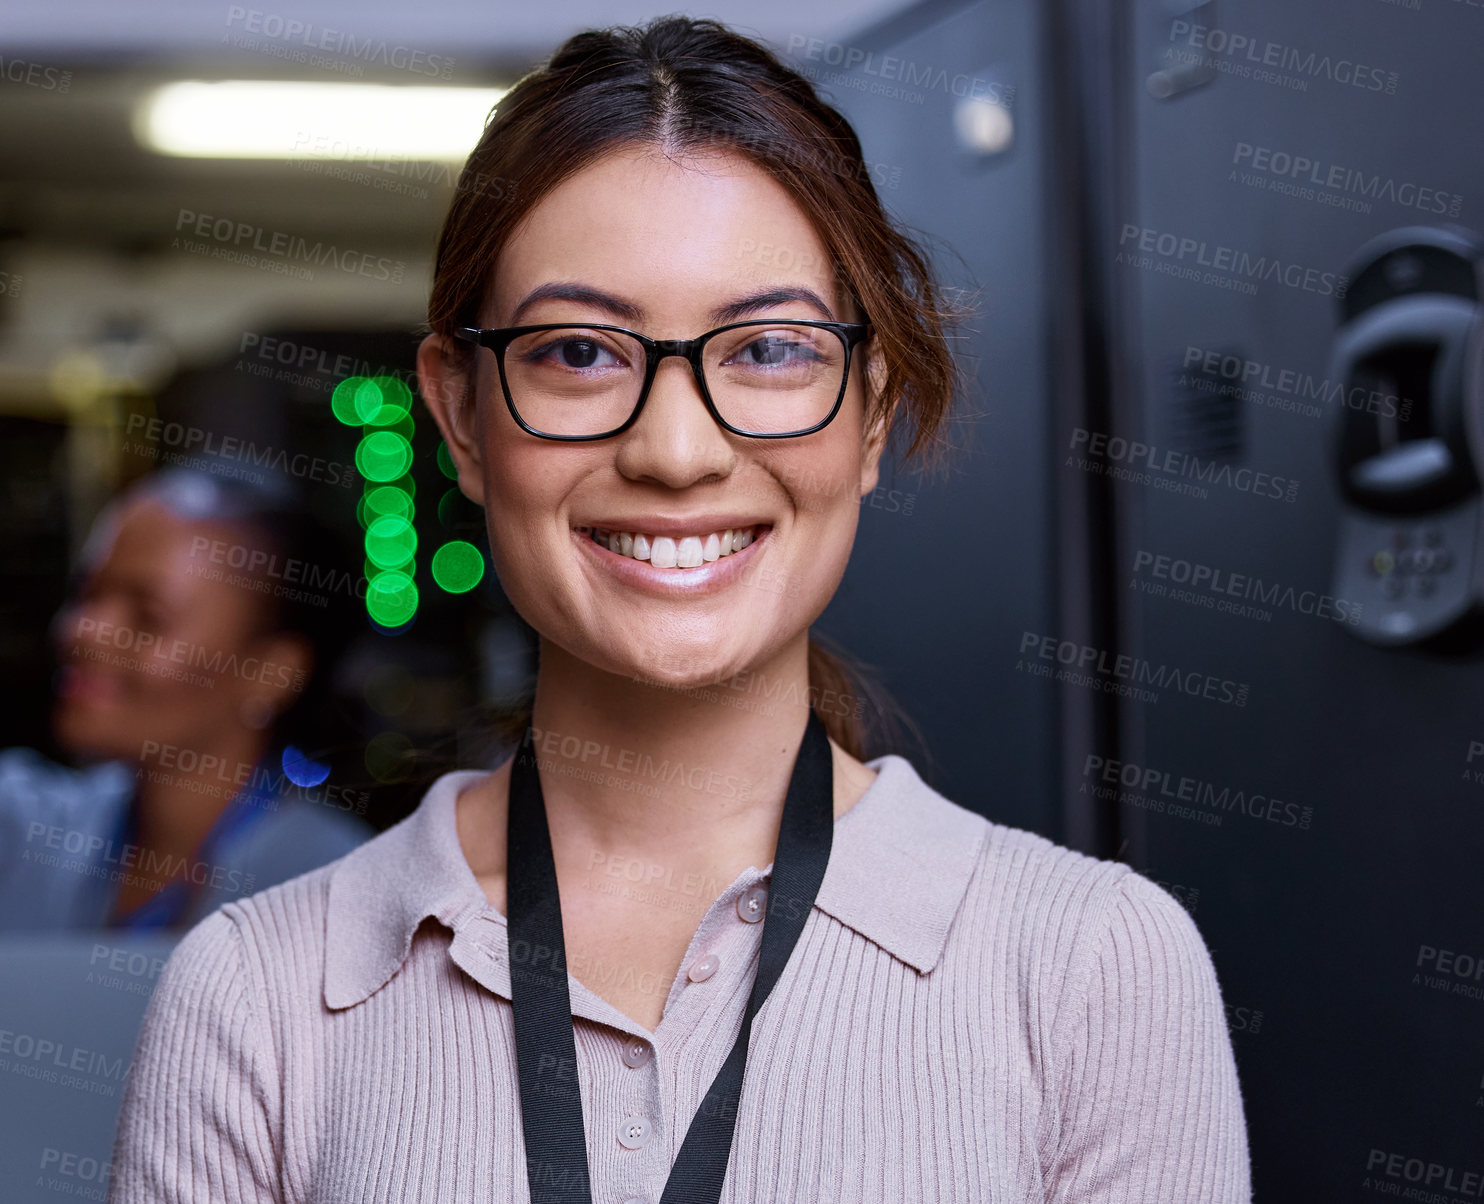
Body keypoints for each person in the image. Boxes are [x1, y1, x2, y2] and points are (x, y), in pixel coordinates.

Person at [109, 16, 1253, 1202]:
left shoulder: (1091, 968)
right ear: (458, 415)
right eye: (579, 354)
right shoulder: (259, 996)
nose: (673, 448)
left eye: (765, 348)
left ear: (868, 412)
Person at [0, 464, 373, 934]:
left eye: (147, 617)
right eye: (88, 594)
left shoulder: (341, 891)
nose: (82, 632)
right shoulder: (27, 832)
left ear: (271, 673)